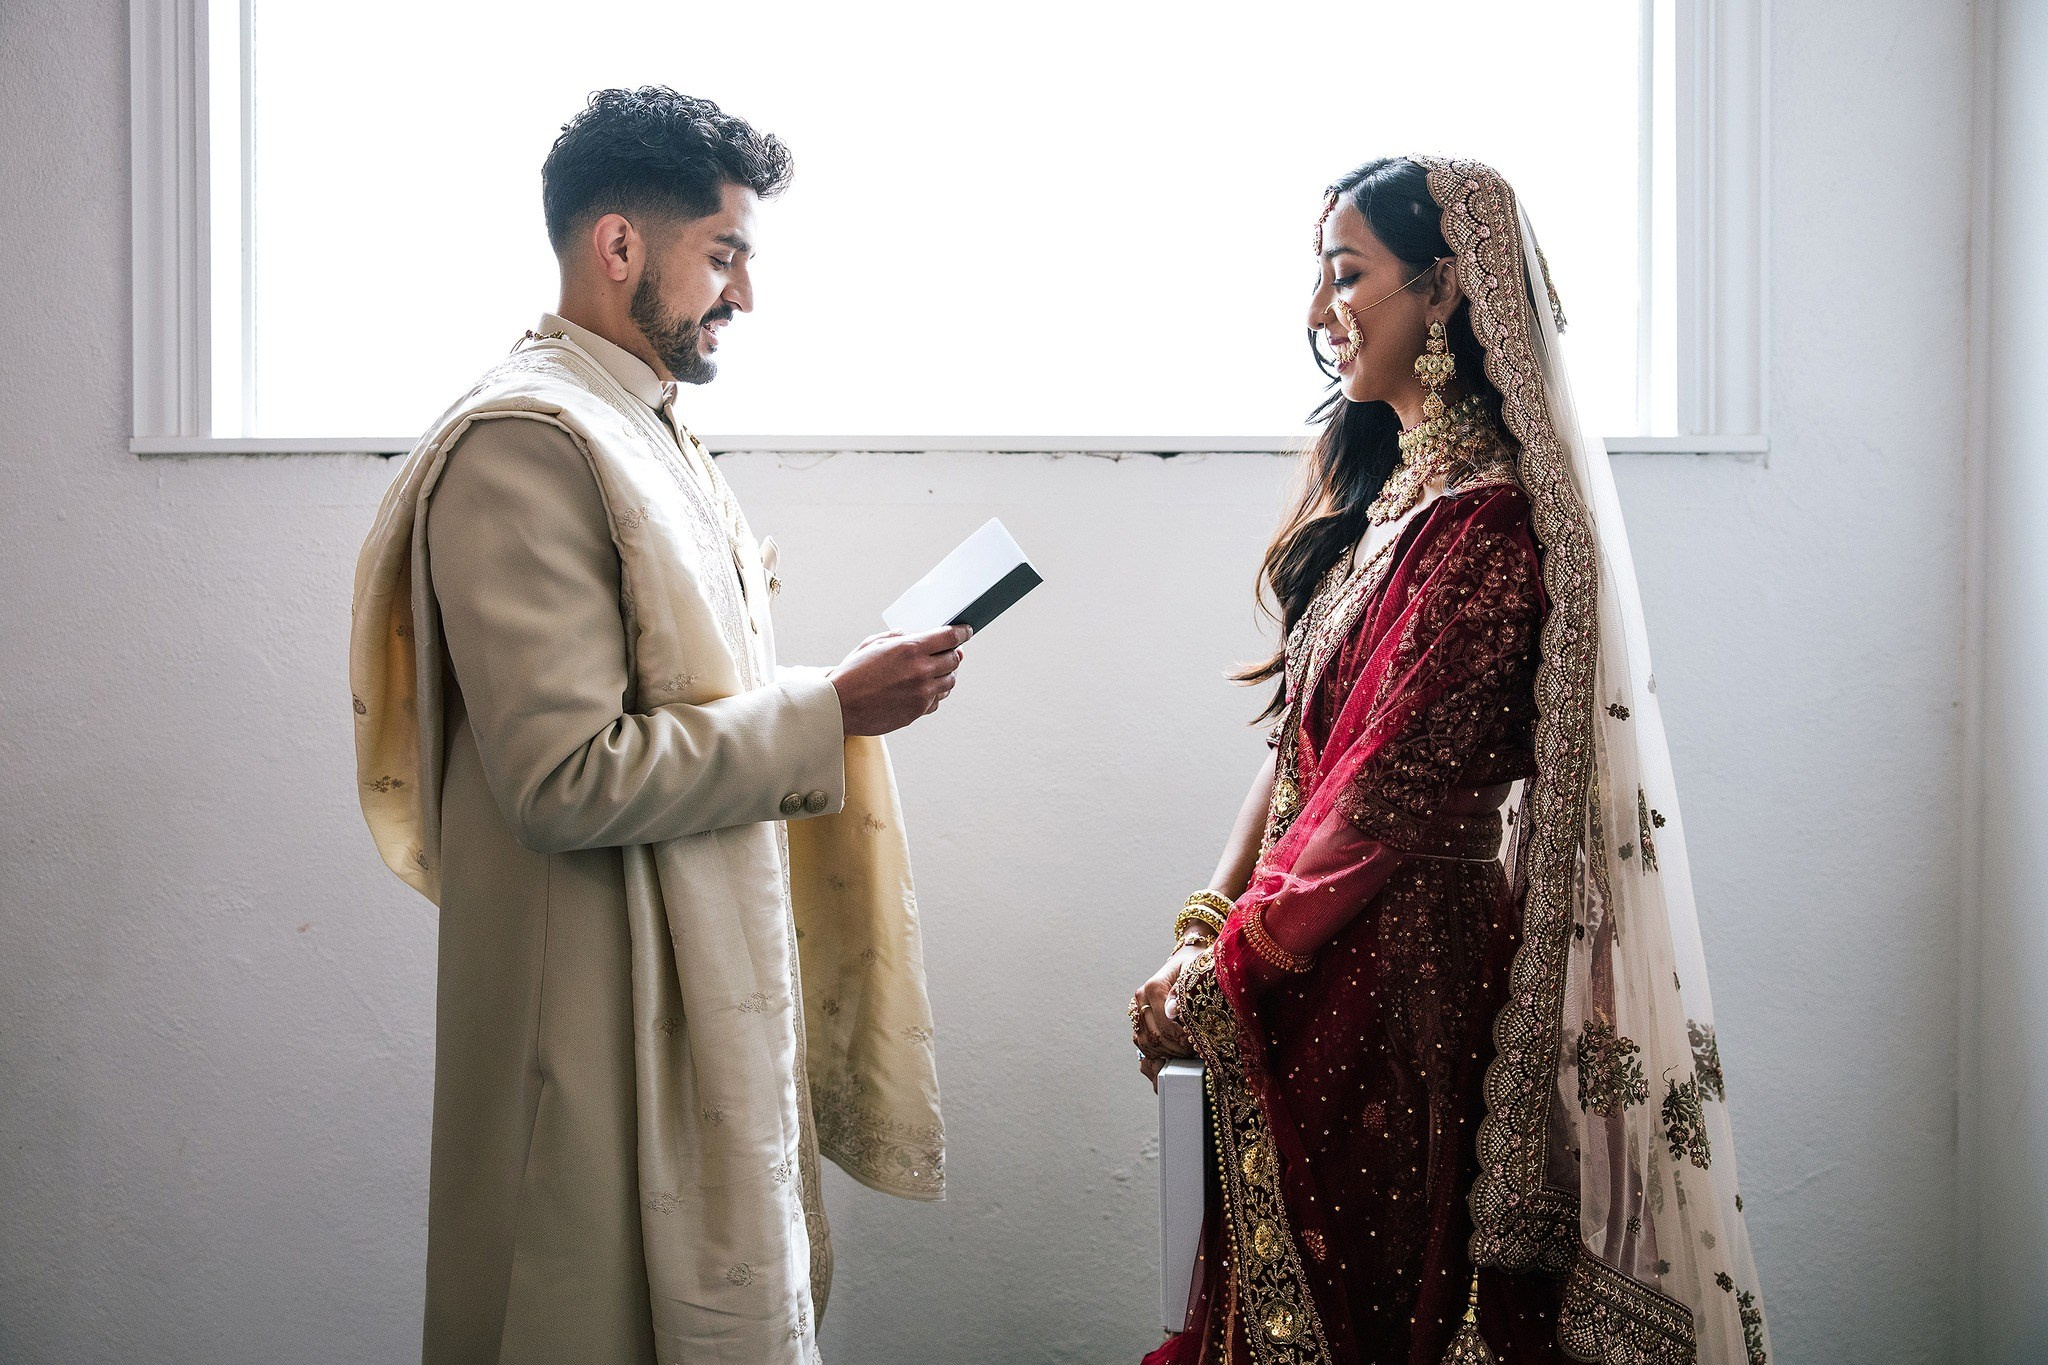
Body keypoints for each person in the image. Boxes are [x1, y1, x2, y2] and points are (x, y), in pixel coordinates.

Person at [350, 87, 962, 1365]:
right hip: (591, 1012)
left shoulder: (641, 426)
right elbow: (563, 778)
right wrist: (828, 712)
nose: (743, 294)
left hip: (688, 978)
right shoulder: (525, 445)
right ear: (617, 245)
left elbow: (679, 698)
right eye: (723, 254)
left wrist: (827, 695)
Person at [1129, 157, 1772, 1365]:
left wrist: (1230, 967)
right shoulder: (1385, 506)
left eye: (1343, 275)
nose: (1318, 314)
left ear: (1439, 294)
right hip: (1313, 961)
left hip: (1404, 980)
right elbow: (1298, 760)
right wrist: (1203, 927)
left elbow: (1378, 795)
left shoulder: (1487, 526)